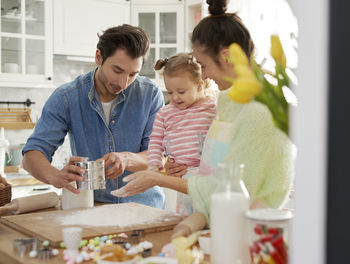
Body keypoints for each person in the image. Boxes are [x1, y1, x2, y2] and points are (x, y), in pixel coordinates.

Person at [112, 0, 296, 235]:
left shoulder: (261, 113)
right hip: (221, 230)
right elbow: (213, 178)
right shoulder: (230, 105)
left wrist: (159, 179)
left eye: (204, 65)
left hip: (252, 238)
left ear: (227, 57)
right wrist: (191, 223)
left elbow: (230, 192)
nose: (205, 75)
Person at [22, 24, 165, 208]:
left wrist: (125, 158)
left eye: (132, 74)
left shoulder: (150, 94)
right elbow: (32, 155)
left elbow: (157, 157)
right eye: (117, 70)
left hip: (145, 207)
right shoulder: (66, 98)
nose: (123, 83)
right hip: (92, 207)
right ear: (98, 57)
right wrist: (55, 176)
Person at [121, 53, 216, 216]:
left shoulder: (213, 107)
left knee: (209, 216)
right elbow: (156, 141)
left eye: (181, 91)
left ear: (199, 85)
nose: (175, 97)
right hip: (180, 177)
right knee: (184, 216)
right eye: (170, 92)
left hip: (206, 176)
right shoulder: (165, 113)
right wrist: (154, 167)